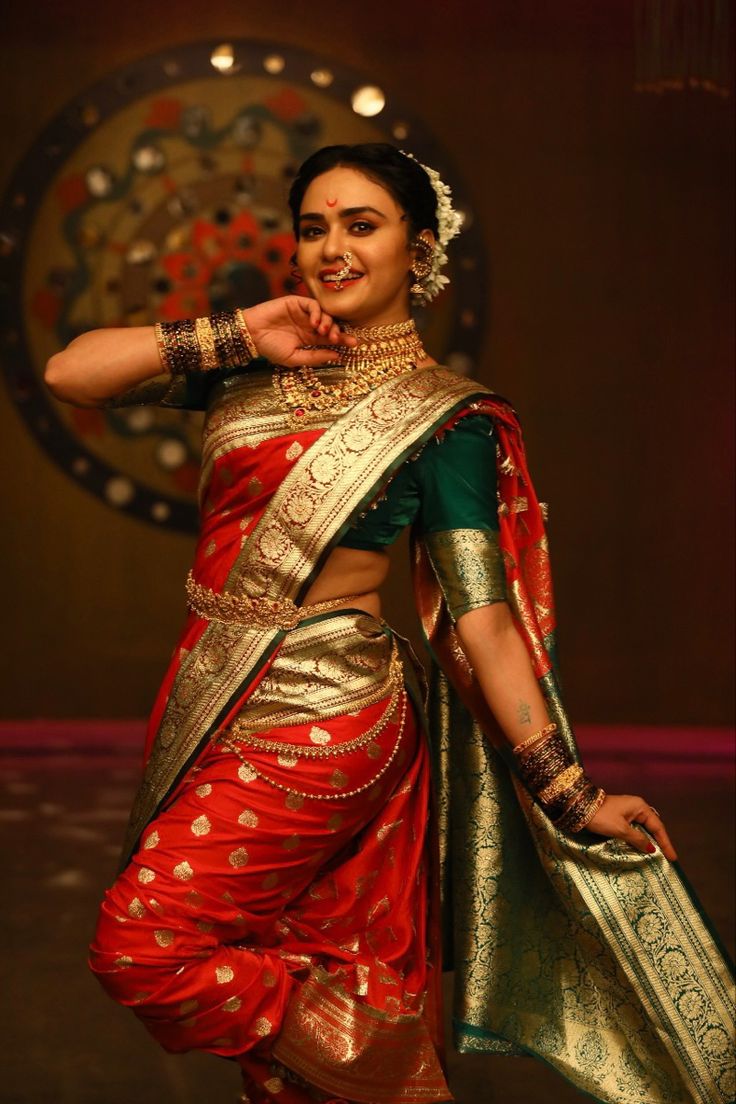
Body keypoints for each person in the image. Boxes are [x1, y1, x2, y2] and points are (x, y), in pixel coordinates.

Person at [45, 144, 734, 1104]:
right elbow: (70, 372)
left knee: (142, 943)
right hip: (217, 693)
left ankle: (384, 1053)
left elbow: (482, 621)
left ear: (418, 249)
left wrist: (570, 792)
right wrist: (243, 330)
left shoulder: (446, 422)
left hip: (330, 719)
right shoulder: (245, 371)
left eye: (361, 225)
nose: (331, 248)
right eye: (314, 226)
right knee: (286, 1017)